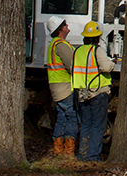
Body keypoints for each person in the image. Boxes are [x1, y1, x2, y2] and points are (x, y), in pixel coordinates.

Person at [72, 21, 114, 162]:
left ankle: (82, 155)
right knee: (98, 125)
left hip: (82, 93)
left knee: (86, 124)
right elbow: (106, 67)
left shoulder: (78, 51)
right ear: (97, 38)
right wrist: (112, 63)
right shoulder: (97, 50)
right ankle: (93, 157)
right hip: (98, 92)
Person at [45, 16, 78, 158]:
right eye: (65, 24)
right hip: (65, 87)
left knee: (62, 117)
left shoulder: (54, 44)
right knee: (72, 116)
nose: (67, 25)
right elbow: (71, 66)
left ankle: (58, 149)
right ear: (60, 29)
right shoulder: (61, 45)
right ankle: (68, 150)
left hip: (57, 86)